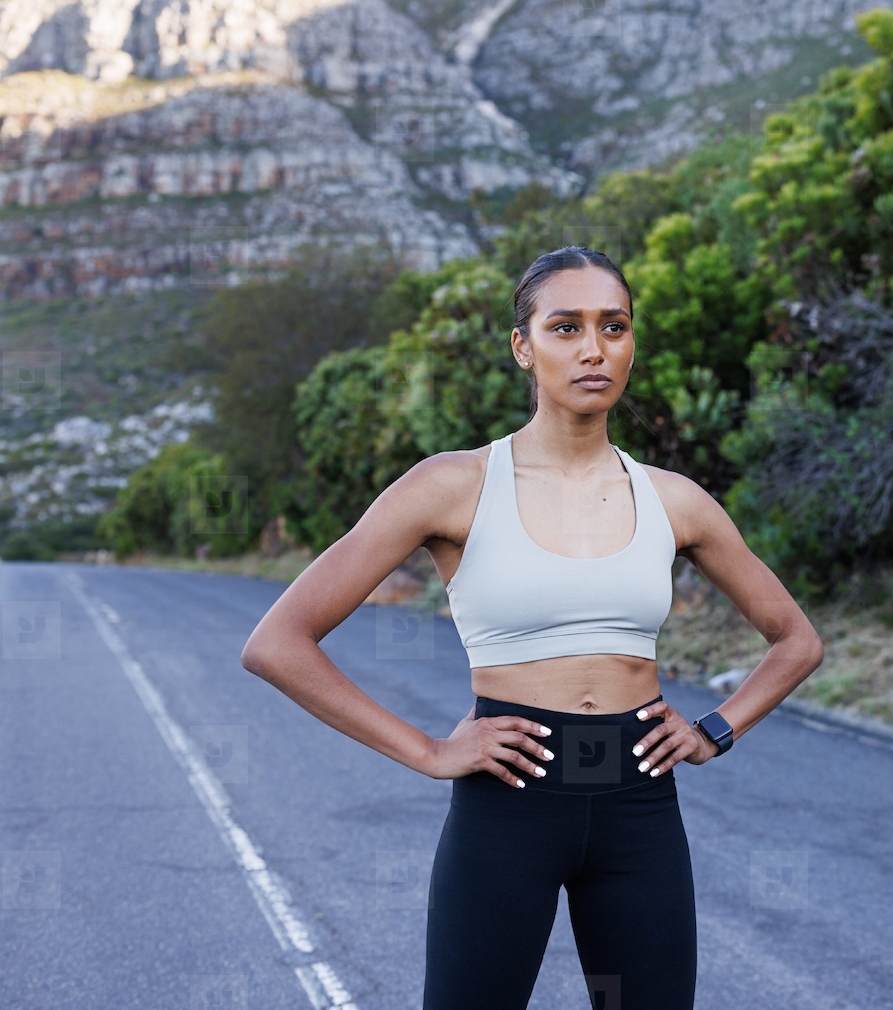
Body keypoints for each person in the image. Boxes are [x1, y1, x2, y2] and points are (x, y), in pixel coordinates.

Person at [240, 245, 825, 1010]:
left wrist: (716, 728)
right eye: (565, 327)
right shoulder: (451, 486)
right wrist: (428, 750)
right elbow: (277, 643)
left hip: (638, 801)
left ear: (631, 344)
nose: (593, 349)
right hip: (510, 798)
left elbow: (795, 639)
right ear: (524, 346)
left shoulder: (674, 500)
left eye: (613, 327)